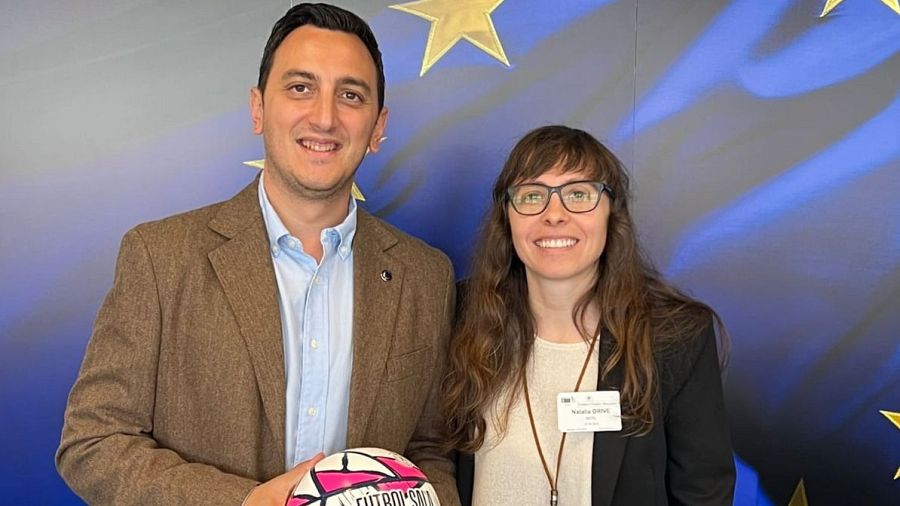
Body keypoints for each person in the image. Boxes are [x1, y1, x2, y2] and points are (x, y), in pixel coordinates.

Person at [56, 4, 459, 505]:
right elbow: (93, 442)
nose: (325, 117)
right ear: (257, 108)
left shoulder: (427, 276)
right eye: (300, 88)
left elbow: (428, 453)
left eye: (350, 95)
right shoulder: (159, 258)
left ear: (378, 128)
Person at [443, 125, 735, 505]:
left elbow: (703, 494)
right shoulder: (459, 316)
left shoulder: (675, 337)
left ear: (612, 213)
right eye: (532, 196)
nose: (554, 215)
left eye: (578, 194)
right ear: (507, 218)